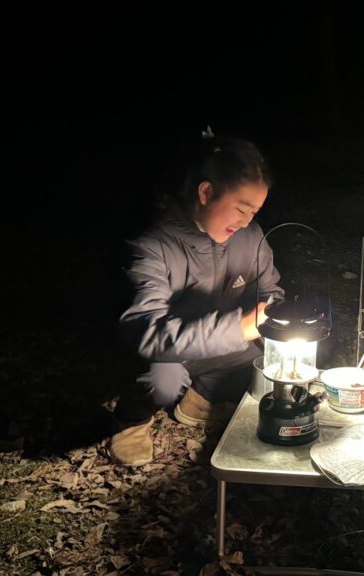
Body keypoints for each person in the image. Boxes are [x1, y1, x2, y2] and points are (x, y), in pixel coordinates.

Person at [109, 132, 283, 467]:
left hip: (217, 346)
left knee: (267, 367)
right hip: (164, 354)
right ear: (206, 192)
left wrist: (276, 316)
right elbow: (148, 335)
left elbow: (269, 292)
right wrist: (241, 327)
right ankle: (131, 420)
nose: (247, 221)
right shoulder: (151, 244)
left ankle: (199, 401)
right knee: (164, 381)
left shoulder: (250, 236)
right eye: (241, 208)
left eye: (255, 211)